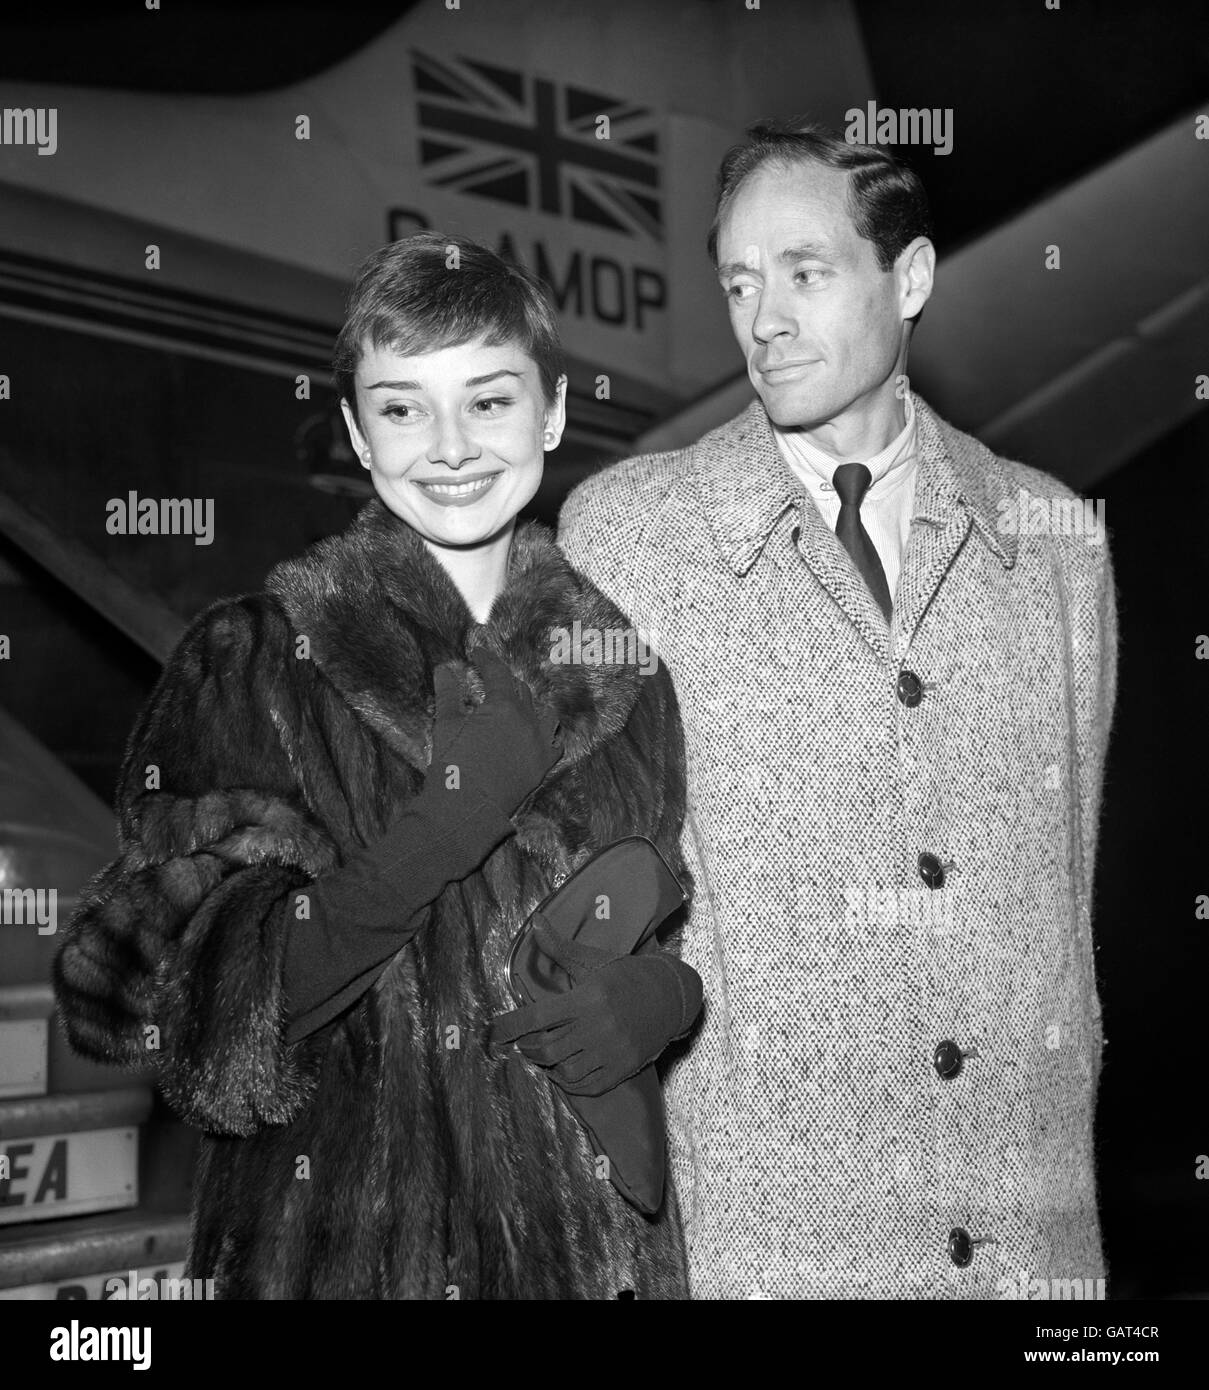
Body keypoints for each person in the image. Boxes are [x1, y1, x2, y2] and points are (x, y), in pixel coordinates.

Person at [54, 233, 702, 1300]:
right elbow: (158, 1008)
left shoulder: (625, 677)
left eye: (488, 402)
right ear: (357, 431)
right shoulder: (255, 660)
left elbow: (654, 928)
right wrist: (443, 829)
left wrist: (667, 998)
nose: (449, 446)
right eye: (403, 408)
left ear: (551, 412)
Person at [559, 119, 1118, 1299]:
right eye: (741, 283)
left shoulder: (1058, 544)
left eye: (805, 274)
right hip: (771, 1248)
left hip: (1035, 1257)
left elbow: (1062, 901)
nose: (764, 319)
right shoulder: (629, 537)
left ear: (907, 279)